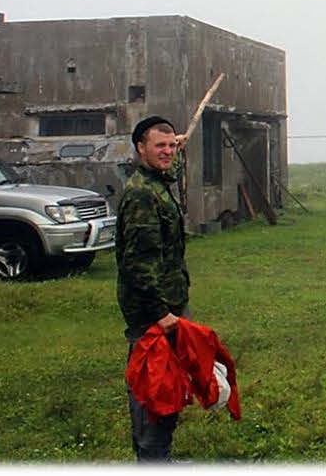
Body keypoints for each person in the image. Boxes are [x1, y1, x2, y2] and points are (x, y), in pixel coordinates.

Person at [117, 115, 191, 461]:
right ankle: (152, 461)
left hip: (169, 306)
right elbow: (138, 263)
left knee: (170, 389)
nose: (167, 152)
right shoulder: (141, 195)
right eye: (159, 146)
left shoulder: (156, 183)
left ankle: (159, 458)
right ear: (140, 148)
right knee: (153, 393)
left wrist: (174, 151)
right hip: (154, 314)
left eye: (171, 145)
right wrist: (160, 313)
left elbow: (168, 173)